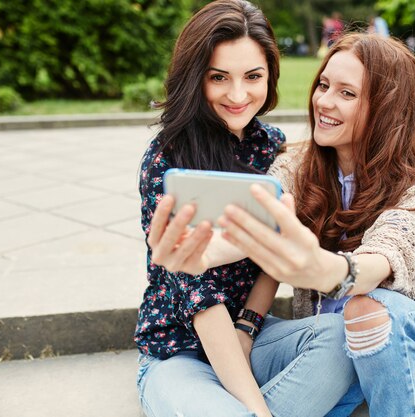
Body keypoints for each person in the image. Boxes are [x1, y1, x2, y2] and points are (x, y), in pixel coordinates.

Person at [217, 33, 415, 417]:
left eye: (347, 94)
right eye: (324, 85)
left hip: (404, 331)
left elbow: (385, 254)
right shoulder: (292, 169)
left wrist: (323, 269)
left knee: (370, 308)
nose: (324, 102)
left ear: (387, 108)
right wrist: (244, 326)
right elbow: (264, 245)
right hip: (329, 339)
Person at [135, 1, 355, 417]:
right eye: (219, 78)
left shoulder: (270, 144)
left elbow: (274, 247)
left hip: (253, 335)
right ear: (194, 78)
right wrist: (260, 410)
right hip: (179, 351)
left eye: (253, 77)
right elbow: (199, 299)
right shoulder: (165, 161)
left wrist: (249, 327)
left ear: (269, 76)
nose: (238, 96)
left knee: (347, 339)